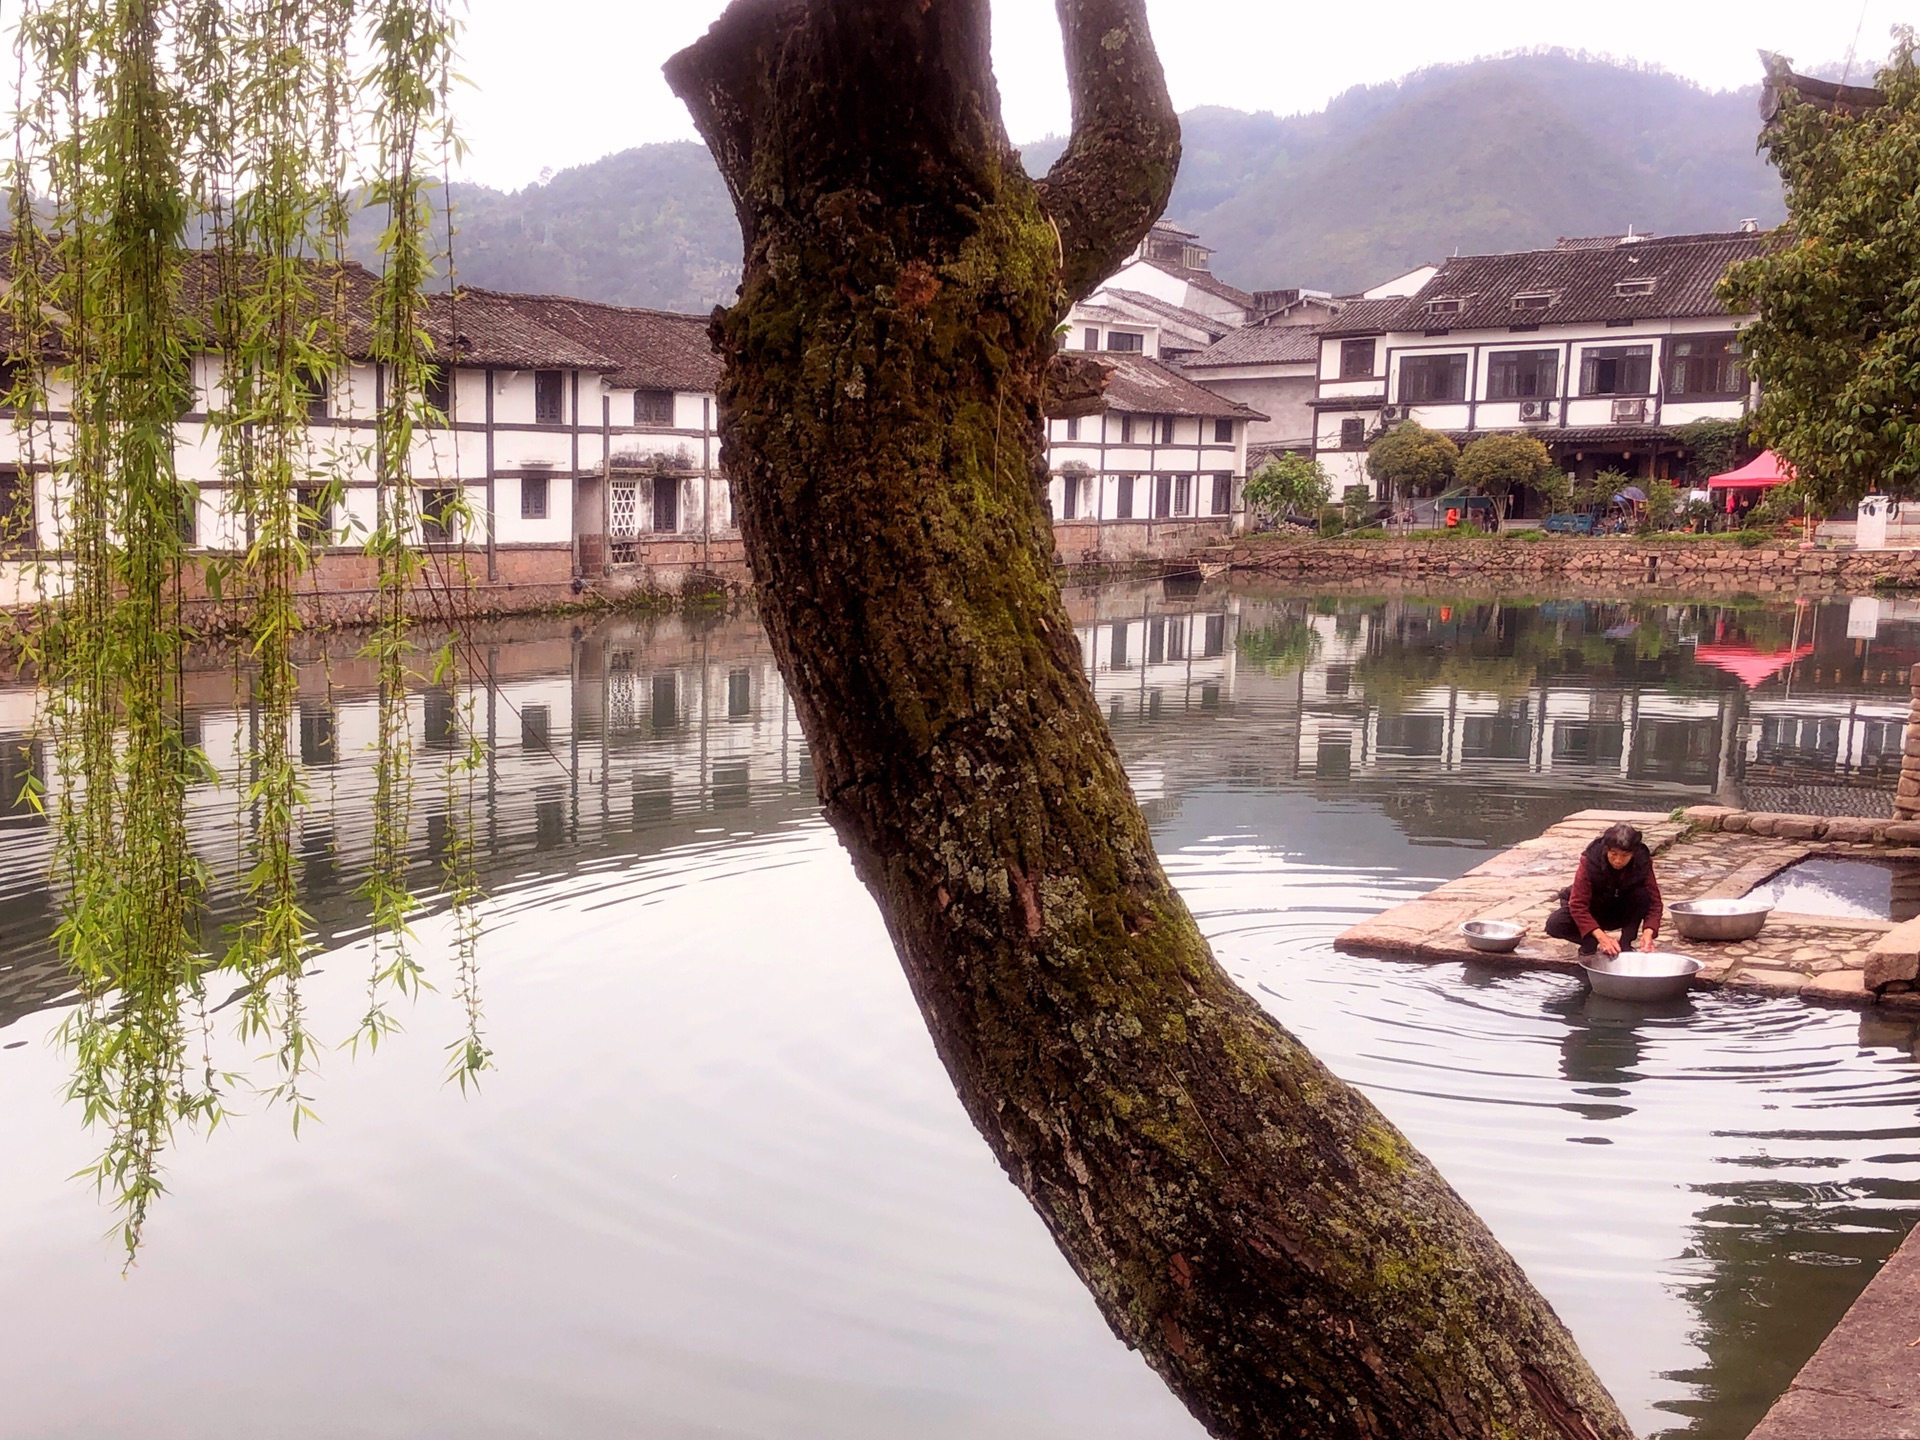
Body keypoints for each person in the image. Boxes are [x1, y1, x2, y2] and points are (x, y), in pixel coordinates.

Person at [1545, 821, 1663, 956]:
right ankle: (1589, 940)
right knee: (1555, 924)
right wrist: (1602, 937)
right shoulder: (1590, 860)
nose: (1618, 861)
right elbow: (1578, 905)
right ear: (1607, 849)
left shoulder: (1643, 861)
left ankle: (1625, 944)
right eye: (1614, 854)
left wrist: (1649, 932)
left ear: (1633, 854)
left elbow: (1655, 902)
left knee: (1641, 895)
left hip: (1621, 908)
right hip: (1595, 907)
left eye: (1625, 856)